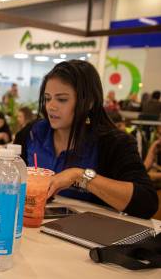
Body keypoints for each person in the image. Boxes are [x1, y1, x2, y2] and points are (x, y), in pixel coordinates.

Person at [14, 60, 157, 219]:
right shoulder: (33, 133)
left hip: (89, 236)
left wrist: (80, 176)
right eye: (47, 98)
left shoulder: (113, 143)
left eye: (62, 99)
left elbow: (146, 203)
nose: (51, 106)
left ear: (88, 102)